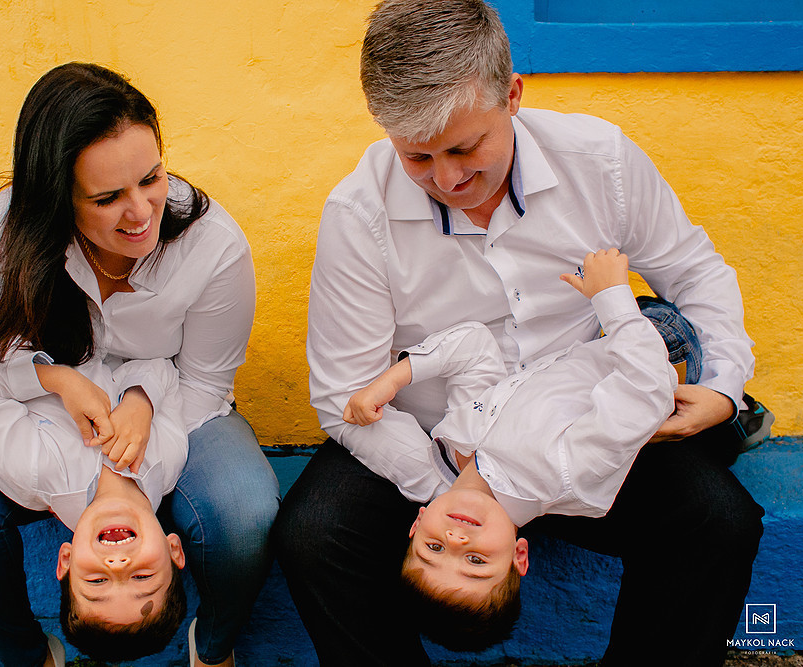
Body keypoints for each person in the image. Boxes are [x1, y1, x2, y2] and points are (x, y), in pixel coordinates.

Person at [275, 1, 764, 665]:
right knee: (315, 535)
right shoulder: (358, 212)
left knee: (718, 522)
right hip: (435, 435)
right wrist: (457, 489)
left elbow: (695, 273)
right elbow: (343, 395)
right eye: (417, 156)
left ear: (512, 95)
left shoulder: (601, 161)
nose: (447, 179)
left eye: (464, 148)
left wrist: (725, 388)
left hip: (584, 422)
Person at [0, 62, 279, 667]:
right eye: (107, 198)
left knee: (244, 511)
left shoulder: (212, 245)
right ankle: (26, 654)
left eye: (152, 178)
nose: (142, 212)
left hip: (175, 402)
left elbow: (203, 383)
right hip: (29, 397)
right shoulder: (14, 226)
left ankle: (213, 648)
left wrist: (141, 405)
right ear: (56, 198)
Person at [344, 249, 679, 650]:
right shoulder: (565, 474)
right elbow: (648, 390)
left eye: (433, 548)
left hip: (595, 338)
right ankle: (729, 418)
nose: (456, 540)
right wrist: (612, 298)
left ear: (416, 524)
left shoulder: (454, 445)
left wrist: (394, 378)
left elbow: (475, 347)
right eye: (476, 562)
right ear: (519, 556)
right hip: (660, 344)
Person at [0, 320, 189, 661]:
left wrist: (57, 380)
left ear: (66, 560)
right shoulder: (170, 457)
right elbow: (163, 369)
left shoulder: (32, 471)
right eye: (141, 576)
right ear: (174, 550)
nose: (117, 565)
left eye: (97, 582)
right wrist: (141, 399)